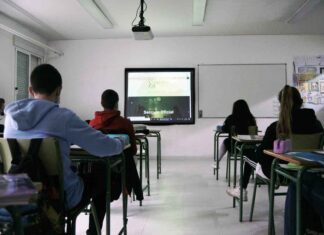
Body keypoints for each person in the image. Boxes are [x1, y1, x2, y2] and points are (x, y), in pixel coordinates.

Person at [4, 64, 126, 235]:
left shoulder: (10, 117)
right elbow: (103, 148)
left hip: (15, 194)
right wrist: (121, 142)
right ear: (59, 90)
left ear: (30, 90)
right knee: (102, 172)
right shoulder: (64, 117)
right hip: (57, 196)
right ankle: (93, 231)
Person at [89, 89, 143, 201]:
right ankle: (127, 189)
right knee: (132, 158)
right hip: (121, 167)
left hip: (99, 170)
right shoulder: (126, 123)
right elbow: (133, 150)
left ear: (101, 103)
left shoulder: (93, 123)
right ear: (116, 104)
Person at [222, 100, 257, 201]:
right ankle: (242, 188)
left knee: (226, 141)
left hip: (237, 147)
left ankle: (216, 163)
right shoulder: (251, 118)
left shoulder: (231, 118)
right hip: (250, 147)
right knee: (249, 157)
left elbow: (224, 129)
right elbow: (254, 132)